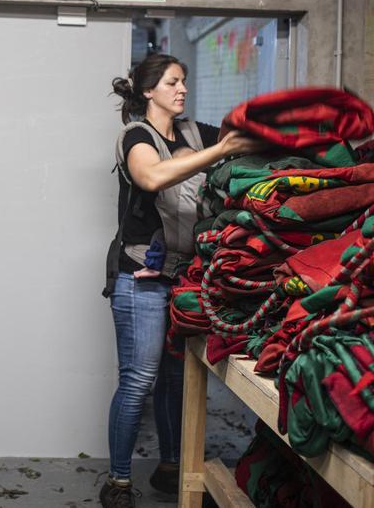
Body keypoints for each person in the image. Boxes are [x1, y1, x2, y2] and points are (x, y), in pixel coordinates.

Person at [100, 53, 263, 508]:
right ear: (148, 91)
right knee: (138, 379)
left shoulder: (195, 132)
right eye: (173, 82)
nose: (182, 89)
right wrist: (218, 153)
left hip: (185, 278)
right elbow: (151, 176)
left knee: (177, 377)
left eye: (184, 82)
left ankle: (172, 469)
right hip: (141, 279)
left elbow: (243, 144)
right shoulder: (136, 136)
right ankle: (116, 482)